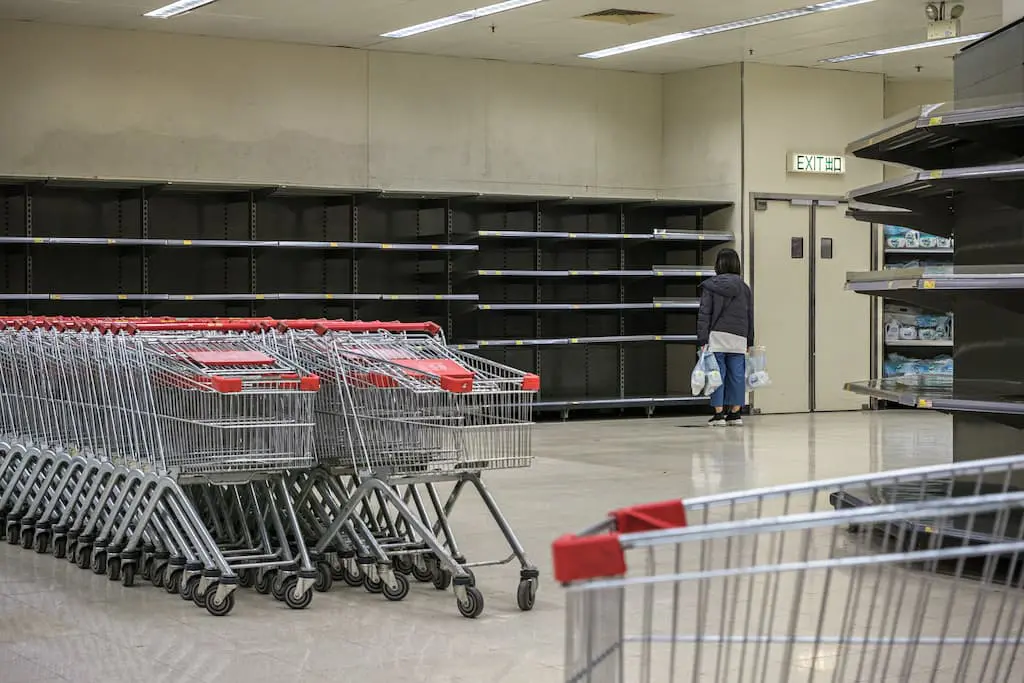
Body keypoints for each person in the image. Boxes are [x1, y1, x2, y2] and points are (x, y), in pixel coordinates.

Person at [696, 248, 754, 427]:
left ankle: (719, 414)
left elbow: (704, 314)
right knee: (737, 375)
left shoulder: (711, 286)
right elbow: (750, 315)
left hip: (717, 336)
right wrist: (749, 340)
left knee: (716, 374)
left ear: (718, 265)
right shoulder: (744, 288)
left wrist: (702, 339)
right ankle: (735, 414)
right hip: (739, 337)